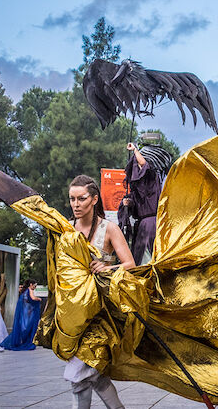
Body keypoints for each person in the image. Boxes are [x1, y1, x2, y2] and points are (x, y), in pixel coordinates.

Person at [66, 175, 135, 409]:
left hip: (102, 315)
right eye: (72, 199)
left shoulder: (109, 228)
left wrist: (108, 267)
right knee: (93, 374)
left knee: (77, 374)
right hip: (74, 314)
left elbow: (130, 265)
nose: (76, 204)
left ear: (94, 199)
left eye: (82, 198)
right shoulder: (67, 230)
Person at [118, 142, 169, 265]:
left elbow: (144, 165)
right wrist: (128, 203)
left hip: (151, 226)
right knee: (140, 259)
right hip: (142, 226)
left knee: (147, 260)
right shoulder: (139, 187)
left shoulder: (152, 177)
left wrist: (135, 149)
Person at [0, 279, 41, 350]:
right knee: (27, 328)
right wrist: (39, 299)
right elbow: (33, 298)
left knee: (21, 329)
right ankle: (25, 342)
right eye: (35, 285)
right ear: (31, 284)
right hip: (28, 316)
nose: (35, 287)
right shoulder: (30, 290)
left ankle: (14, 341)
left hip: (23, 315)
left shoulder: (24, 291)